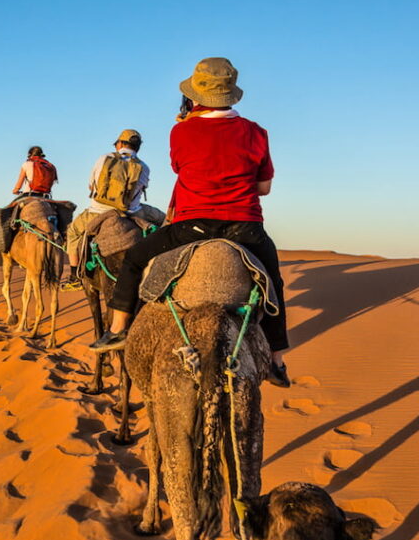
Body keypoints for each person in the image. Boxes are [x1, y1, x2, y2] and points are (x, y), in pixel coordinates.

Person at [89, 57, 290, 387]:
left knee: (135, 259)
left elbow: (184, 168)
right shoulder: (257, 133)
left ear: (196, 96)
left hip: (190, 226)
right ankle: (277, 360)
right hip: (246, 227)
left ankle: (117, 330)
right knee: (273, 284)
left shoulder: (181, 130)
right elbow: (264, 188)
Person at [60, 129, 151, 291]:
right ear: (137, 147)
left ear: (121, 144)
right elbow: (140, 189)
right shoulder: (144, 167)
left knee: (73, 232)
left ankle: (74, 276)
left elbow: (91, 185)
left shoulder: (104, 159)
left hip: (98, 211)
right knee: (162, 222)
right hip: (132, 212)